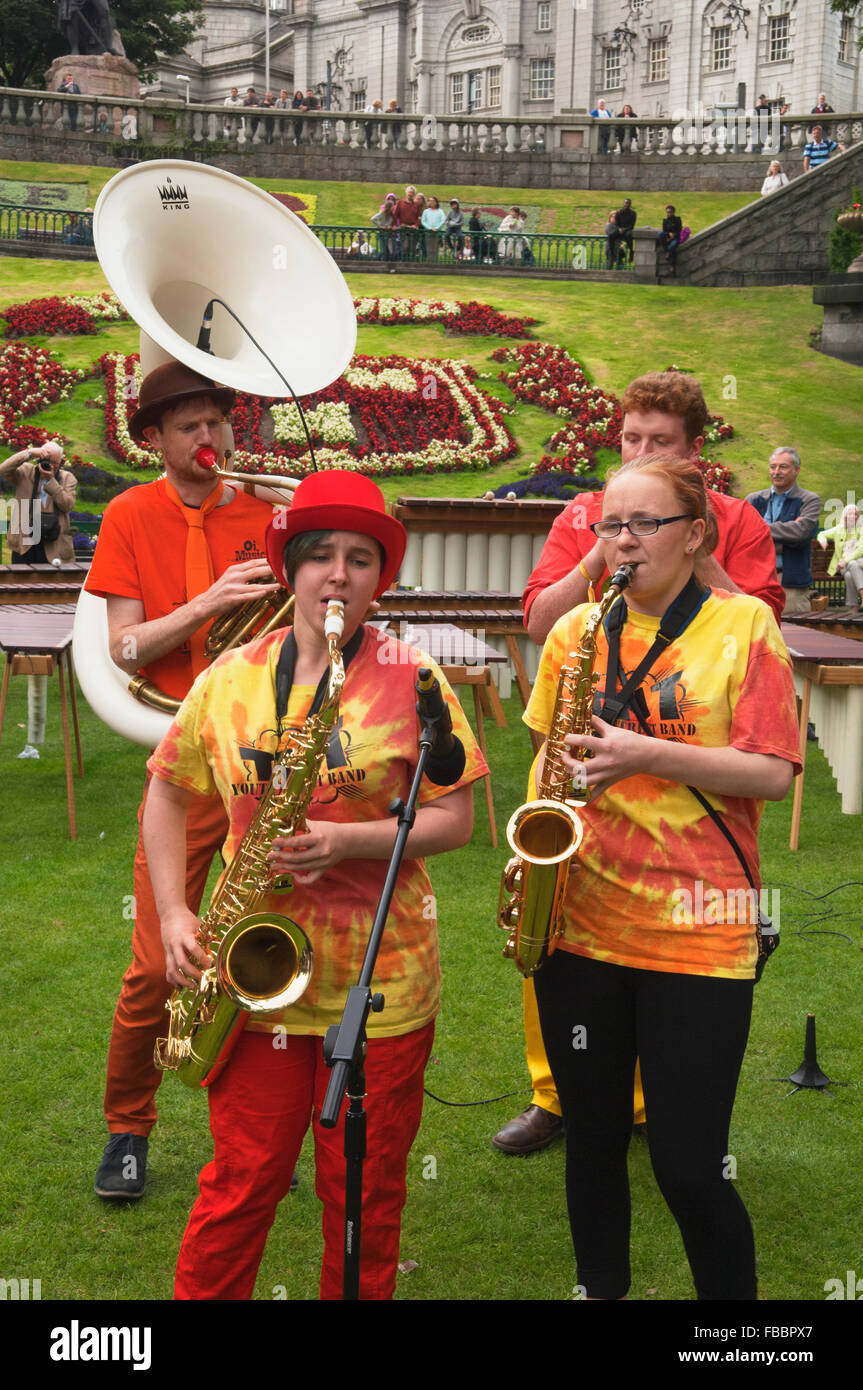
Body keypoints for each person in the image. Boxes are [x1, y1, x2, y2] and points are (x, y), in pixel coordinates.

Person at [144, 470, 487, 1300]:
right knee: (241, 1181)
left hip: (381, 986)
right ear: (291, 567)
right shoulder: (229, 677)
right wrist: (173, 910)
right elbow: (166, 787)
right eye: (321, 555)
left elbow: (456, 818)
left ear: (381, 576)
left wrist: (346, 840)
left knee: (365, 1197)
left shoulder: (416, 679)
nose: (339, 574)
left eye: (360, 558)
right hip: (251, 979)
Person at [527, 452, 800, 1300]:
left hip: (701, 928)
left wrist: (644, 753)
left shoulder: (743, 625)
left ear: (694, 535)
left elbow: (772, 772)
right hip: (580, 925)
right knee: (592, 1146)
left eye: (644, 524)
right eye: (610, 524)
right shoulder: (576, 630)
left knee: (688, 1165)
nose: (621, 542)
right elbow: (544, 749)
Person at [492, 371, 784, 1157]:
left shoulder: (735, 523)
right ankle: (555, 1094)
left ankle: (661, 1105)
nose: (640, 450)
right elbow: (536, 619)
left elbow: (754, 618)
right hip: (579, 779)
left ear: (694, 454)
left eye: (659, 443)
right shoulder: (588, 518)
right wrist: (605, 550)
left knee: (669, 995)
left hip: (690, 812)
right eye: (629, 440)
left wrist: (680, 546)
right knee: (555, 928)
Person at [86, 361, 278, 1200]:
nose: (209, 440)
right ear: (155, 440)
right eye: (189, 427)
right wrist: (208, 603)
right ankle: (128, 1128)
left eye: (217, 423)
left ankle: (256, 1142)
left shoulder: (269, 508)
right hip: (183, 752)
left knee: (263, 952)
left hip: (264, 752)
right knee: (152, 966)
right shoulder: (128, 514)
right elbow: (123, 647)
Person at [746, 449, 822, 614]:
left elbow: (800, 533)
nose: (776, 472)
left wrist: (759, 530)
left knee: (794, 635)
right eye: (773, 467)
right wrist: (787, 533)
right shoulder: (753, 499)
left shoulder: (809, 500)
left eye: (783, 467)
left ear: (797, 470)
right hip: (756, 580)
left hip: (791, 583)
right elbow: (743, 534)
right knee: (755, 635)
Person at [0, 440, 77, 565]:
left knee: (51, 584)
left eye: (55, 463)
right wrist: (28, 453)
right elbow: (3, 470)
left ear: (60, 462)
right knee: (21, 583)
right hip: (25, 541)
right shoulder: (25, 472)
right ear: (39, 459)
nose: (51, 465)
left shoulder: (67, 478)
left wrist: (51, 481)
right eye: (47, 460)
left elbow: (67, 505)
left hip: (53, 544)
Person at [817, 503, 863, 609]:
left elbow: (861, 549)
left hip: (858, 564)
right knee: (851, 565)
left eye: (855, 514)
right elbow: (822, 534)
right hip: (842, 566)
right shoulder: (838, 530)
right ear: (845, 516)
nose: (853, 516)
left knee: (848, 574)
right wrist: (823, 540)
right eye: (850, 514)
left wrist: (845, 561)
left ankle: (853, 607)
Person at [394, 184, 421, 260]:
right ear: (406, 193)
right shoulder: (400, 202)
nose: (410, 194)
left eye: (412, 193)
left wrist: (416, 225)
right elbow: (395, 215)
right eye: (409, 192)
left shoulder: (416, 204)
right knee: (405, 246)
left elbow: (419, 217)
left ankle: (411, 264)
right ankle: (403, 262)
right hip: (404, 227)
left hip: (413, 229)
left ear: (414, 194)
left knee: (412, 248)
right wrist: (395, 225)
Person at [608, 197, 636, 266]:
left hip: (628, 230)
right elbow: (616, 223)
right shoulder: (618, 212)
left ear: (630, 205)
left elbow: (632, 225)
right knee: (611, 236)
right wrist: (619, 229)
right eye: (625, 203)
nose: (626, 205)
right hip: (619, 230)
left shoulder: (633, 213)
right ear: (623, 204)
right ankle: (612, 255)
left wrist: (624, 229)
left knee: (629, 235)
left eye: (628, 203)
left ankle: (631, 253)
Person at [656, 205, 683, 273]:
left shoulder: (678, 219)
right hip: (667, 238)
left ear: (673, 212)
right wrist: (669, 234)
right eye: (667, 212)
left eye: (670, 212)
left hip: (675, 239)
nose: (669, 214)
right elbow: (664, 231)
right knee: (660, 234)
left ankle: (672, 265)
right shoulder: (665, 221)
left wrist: (673, 235)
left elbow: (679, 230)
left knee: (672, 247)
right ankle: (666, 251)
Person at [421, 194, 446, 262]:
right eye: (430, 201)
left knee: (435, 249)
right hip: (428, 232)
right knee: (429, 249)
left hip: (436, 233)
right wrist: (429, 228)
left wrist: (437, 228)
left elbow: (443, 220)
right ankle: (429, 263)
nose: (431, 202)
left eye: (433, 201)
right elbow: (423, 221)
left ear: (436, 202)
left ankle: (435, 263)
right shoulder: (426, 211)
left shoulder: (440, 211)